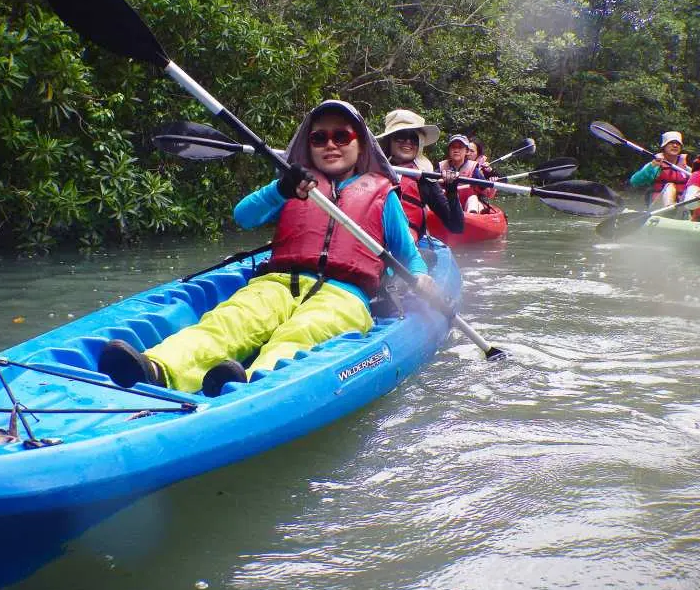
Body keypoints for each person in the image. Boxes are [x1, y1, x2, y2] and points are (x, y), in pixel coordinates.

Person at [98, 100, 438, 397]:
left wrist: (421, 277)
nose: (330, 144)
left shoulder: (382, 193)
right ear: (309, 145)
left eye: (341, 136)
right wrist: (280, 189)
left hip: (344, 295)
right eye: (319, 138)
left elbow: (407, 255)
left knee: (304, 332)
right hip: (277, 283)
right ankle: (158, 369)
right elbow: (243, 216)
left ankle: (248, 385)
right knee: (229, 322)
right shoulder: (294, 184)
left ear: (360, 145)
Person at [375, 109, 464, 240]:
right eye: (401, 136)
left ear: (419, 143)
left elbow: (456, 226)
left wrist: (451, 191)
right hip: (373, 244)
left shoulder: (424, 180)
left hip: (408, 251)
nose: (408, 142)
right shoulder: (371, 171)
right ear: (389, 140)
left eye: (413, 138)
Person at [628, 131, 691, 207]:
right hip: (658, 207)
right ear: (664, 146)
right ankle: (670, 208)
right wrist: (651, 166)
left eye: (678, 144)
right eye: (671, 143)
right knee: (670, 186)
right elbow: (634, 181)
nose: (675, 145)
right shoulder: (655, 165)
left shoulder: (686, 168)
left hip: (681, 207)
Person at [439, 134, 496, 213]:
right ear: (449, 150)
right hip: (447, 204)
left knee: (473, 198)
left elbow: (488, 193)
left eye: (460, 147)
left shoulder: (473, 170)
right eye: (453, 147)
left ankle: (472, 216)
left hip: (467, 205)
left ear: (466, 151)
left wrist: (493, 185)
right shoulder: (441, 167)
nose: (456, 150)